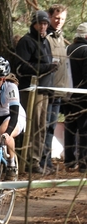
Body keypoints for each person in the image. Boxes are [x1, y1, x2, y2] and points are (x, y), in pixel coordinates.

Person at [15, 10, 58, 174]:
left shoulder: (45, 42)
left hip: (44, 90)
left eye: (46, 23)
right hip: (31, 92)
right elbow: (21, 67)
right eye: (40, 23)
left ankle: (35, 161)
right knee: (31, 127)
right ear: (33, 24)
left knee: (41, 127)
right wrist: (46, 67)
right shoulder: (26, 42)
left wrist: (51, 91)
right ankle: (27, 161)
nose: (43, 26)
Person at [41, 4, 68, 172]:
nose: (59, 21)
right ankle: (42, 160)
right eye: (56, 18)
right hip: (46, 89)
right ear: (50, 17)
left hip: (58, 89)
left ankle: (47, 160)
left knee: (51, 126)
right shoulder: (45, 37)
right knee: (44, 126)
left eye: (62, 19)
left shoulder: (60, 37)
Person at [64, 23, 87, 173]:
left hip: (68, 93)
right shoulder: (85, 50)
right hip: (83, 95)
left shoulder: (68, 49)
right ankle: (84, 162)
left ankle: (69, 160)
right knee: (84, 129)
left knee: (70, 127)